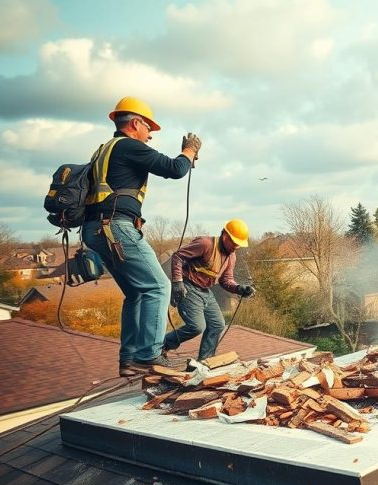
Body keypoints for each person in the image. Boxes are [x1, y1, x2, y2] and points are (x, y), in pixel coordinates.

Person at [81, 96, 202, 377]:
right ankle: (150, 356)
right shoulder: (128, 146)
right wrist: (189, 151)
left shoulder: (104, 150)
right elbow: (174, 169)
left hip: (96, 229)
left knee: (136, 293)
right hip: (117, 227)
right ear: (136, 123)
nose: (149, 136)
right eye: (149, 129)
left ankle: (130, 359)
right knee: (159, 287)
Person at [164, 219, 255, 362]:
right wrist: (177, 281)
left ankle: (205, 360)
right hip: (188, 286)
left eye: (239, 244)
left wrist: (239, 288)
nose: (237, 247)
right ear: (225, 236)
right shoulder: (205, 244)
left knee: (218, 324)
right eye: (235, 242)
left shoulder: (231, 256)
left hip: (205, 291)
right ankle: (161, 346)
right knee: (196, 326)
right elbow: (177, 256)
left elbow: (226, 280)